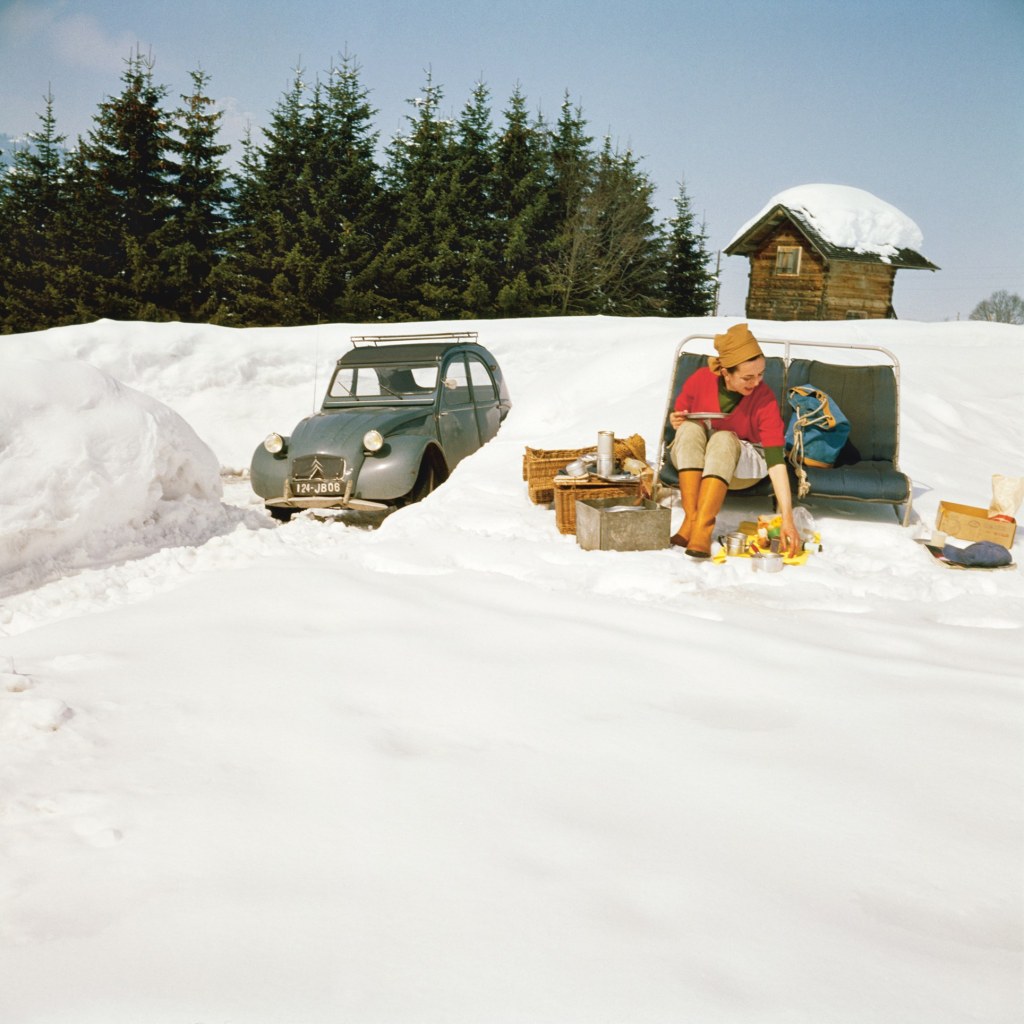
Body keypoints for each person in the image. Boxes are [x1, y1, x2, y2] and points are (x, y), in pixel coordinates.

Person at [668, 323, 800, 559]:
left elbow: (775, 460)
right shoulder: (700, 380)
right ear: (725, 372)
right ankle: (692, 520)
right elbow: (680, 415)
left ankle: (703, 529)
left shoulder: (764, 398)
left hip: (741, 471)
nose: (756, 382)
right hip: (698, 463)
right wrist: (676, 419)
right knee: (689, 429)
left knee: (723, 438)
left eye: (761, 374)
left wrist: (787, 519)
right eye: (748, 377)